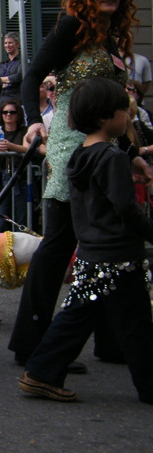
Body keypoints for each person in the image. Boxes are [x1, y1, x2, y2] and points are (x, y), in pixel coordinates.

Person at [9, 0, 151, 368]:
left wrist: (133, 154)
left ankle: (111, 341)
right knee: (61, 245)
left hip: (105, 151)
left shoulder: (110, 39)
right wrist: (34, 122)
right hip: (73, 152)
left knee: (107, 244)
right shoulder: (72, 27)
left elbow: (114, 111)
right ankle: (31, 344)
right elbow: (32, 73)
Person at [20, 77, 153, 404]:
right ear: (105, 116)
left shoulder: (79, 156)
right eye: (124, 112)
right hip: (118, 254)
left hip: (93, 252)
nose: (128, 118)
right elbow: (125, 207)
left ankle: (40, 371)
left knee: (78, 317)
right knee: (136, 326)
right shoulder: (112, 158)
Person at [0, 98, 29, 232]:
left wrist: (10, 146)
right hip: (1, 177)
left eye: (12, 112)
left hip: (20, 177)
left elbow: (27, 149)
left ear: (18, 114)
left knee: (21, 219)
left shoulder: (25, 130)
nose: (8, 115)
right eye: (5, 112)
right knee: (0, 223)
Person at [0, 32, 23, 98]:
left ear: (18, 44)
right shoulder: (3, 64)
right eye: (5, 43)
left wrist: (0, 79)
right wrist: (10, 82)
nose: (7, 45)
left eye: (10, 43)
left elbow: (19, 76)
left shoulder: (22, 61)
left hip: (16, 97)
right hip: (1, 97)